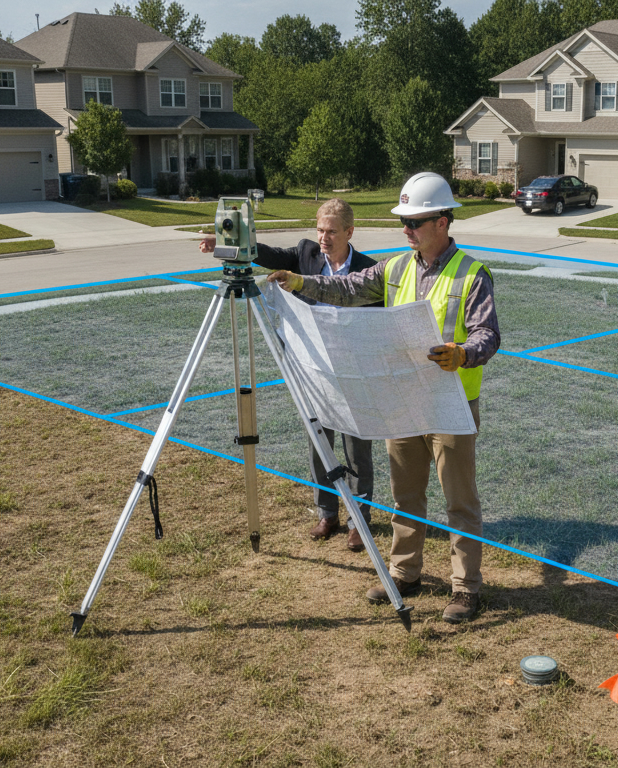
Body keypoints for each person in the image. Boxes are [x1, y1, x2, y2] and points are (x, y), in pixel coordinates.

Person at [265, 173, 500, 624]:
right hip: (404, 400)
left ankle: (465, 589)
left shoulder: (472, 274)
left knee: (460, 501)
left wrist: (462, 353)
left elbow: (489, 335)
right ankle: (405, 572)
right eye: (404, 222)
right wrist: (299, 284)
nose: (406, 229)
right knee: (405, 495)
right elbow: (346, 289)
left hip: (452, 403)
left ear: (443, 222)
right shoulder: (395, 268)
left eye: (414, 221)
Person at [200, 199, 377, 552]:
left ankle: (359, 518)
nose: (323, 238)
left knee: (357, 448)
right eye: (320, 230)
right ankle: (327, 513)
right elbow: (268, 254)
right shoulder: (305, 253)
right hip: (310, 368)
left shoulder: (369, 269)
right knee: (318, 442)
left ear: (349, 232)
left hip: (351, 373)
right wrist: (226, 244)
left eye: (331, 231)